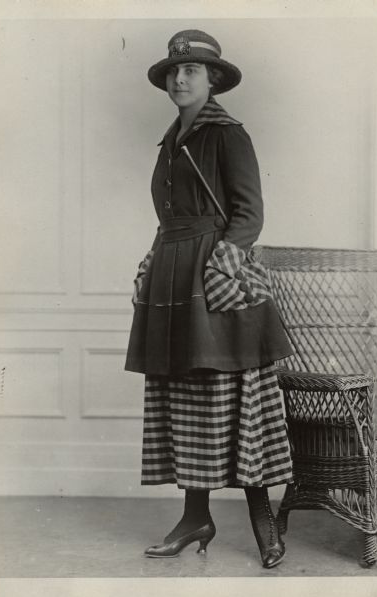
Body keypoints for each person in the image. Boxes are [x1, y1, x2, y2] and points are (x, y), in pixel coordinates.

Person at [124, 29, 294, 569]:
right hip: (172, 274)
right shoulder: (170, 141)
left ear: (213, 78)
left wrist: (223, 260)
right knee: (185, 395)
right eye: (175, 71)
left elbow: (248, 214)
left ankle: (262, 521)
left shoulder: (227, 135)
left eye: (192, 71)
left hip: (216, 277)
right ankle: (195, 515)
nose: (180, 79)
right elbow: (168, 217)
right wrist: (153, 259)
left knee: (235, 396)